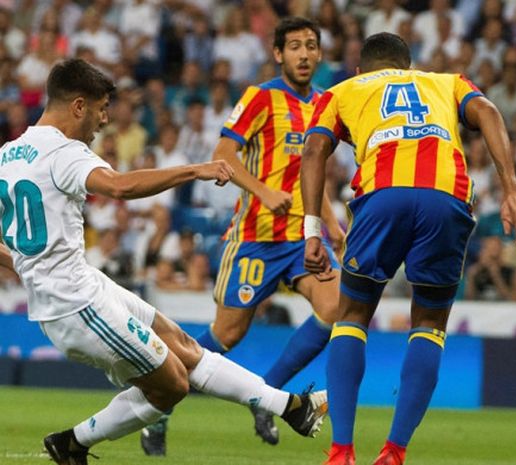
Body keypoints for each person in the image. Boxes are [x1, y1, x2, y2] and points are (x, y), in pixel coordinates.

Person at [0, 58, 328, 465]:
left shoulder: (10, 154)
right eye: (102, 109)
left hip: (81, 283)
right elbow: (119, 187)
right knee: (172, 384)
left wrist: (27, 268)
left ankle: (291, 407)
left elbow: (26, 241)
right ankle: (72, 443)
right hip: (76, 304)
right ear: (79, 106)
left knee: (184, 345)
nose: (105, 120)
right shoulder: (64, 153)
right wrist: (194, 169)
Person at [301, 33, 516, 465]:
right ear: (409, 66)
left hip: (383, 194)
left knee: (351, 316)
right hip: (447, 196)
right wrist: (511, 190)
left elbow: (314, 149)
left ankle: (341, 451)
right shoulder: (447, 81)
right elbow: (488, 112)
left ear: (359, 70)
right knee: (428, 323)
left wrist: (313, 227)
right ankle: (394, 451)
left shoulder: (341, 91)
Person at [140, 17, 344, 454]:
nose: (304, 54)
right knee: (226, 337)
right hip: (255, 236)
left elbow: (316, 173)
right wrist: (264, 191)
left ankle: (268, 395)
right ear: (278, 54)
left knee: (335, 308)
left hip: (302, 238)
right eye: (294, 47)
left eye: (311, 46)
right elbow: (222, 154)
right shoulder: (262, 97)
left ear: (320, 54)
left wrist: (330, 220)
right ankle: (156, 410)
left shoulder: (326, 104)